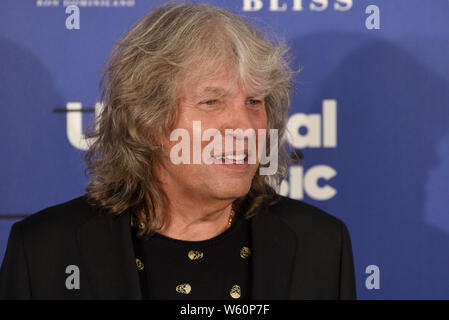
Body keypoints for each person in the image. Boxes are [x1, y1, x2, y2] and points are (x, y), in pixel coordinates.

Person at [0, 2, 356, 299]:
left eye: (254, 101)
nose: (246, 127)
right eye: (212, 101)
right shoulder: (45, 252)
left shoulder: (321, 246)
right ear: (147, 120)